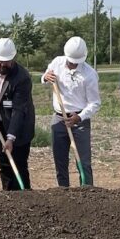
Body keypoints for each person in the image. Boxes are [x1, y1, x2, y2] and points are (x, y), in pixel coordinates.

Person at [41, 36, 100, 187]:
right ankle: (63, 193)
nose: (73, 63)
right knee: (60, 162)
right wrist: (45, 77)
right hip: (59, 118)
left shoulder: (90, 74)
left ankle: (88, 193)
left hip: (79, 120)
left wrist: (79, 117)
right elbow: (45, 77)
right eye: (71, 60)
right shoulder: (57, 62)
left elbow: (95, 103)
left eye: (76, 61)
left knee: (83, 162)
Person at [0, 38, 35, 191]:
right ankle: (8, 197)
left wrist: (11, 138)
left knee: (18, 165)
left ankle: (26, 199)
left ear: (13, 59)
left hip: (19, 127)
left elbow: (19, 111)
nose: (0, 65)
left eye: (5, 62)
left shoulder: (22, 78)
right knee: (4, 163)